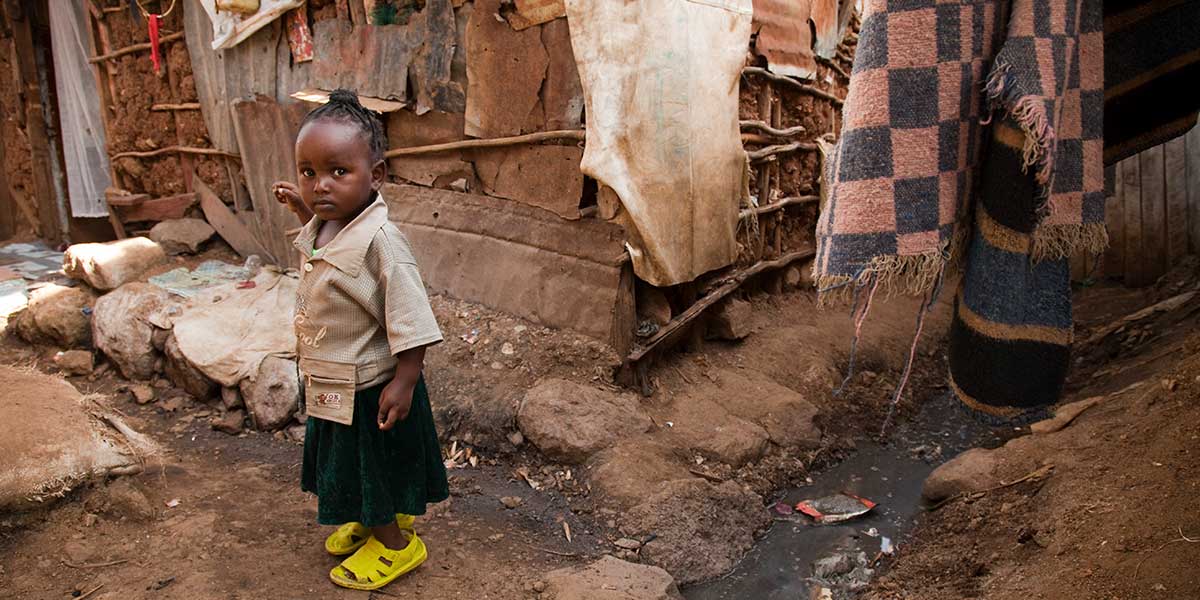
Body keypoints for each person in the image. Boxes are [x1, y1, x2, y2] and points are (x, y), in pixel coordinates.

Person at [271, 89, 448, 591]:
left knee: (371, 462)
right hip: (332, 378)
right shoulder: (327, 222)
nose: (319, 185)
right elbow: (321, 247)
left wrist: (406, 379)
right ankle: (371, 517)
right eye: (308, 172)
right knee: (348, 464)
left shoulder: (382, 242)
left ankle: (396, 545)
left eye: (338, 172)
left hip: (370, 387)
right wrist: (296, 207)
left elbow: (411, 315)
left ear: (378, 176)